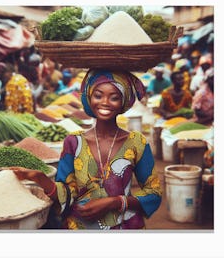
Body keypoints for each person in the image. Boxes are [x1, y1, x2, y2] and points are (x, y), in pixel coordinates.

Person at [10, 69, 162, 230]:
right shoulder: (74, 142)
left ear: (123, 101)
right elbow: (67, 193)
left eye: (114, 98)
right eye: (98, 95)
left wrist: (115, 202)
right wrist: (40, 178)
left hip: (124, 226)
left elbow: (153, 192)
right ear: (89, 98)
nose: (105, 102)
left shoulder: (136, 142)